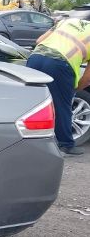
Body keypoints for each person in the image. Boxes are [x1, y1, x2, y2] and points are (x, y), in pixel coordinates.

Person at [26, 18, 90, 155]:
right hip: (59, 64)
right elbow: (88, 77)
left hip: (35, 58)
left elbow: (39, 40)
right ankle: (66, 144)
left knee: (34, 104)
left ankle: (28, 140)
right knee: (62, 105)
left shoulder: (67, 21)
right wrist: (75, 89)